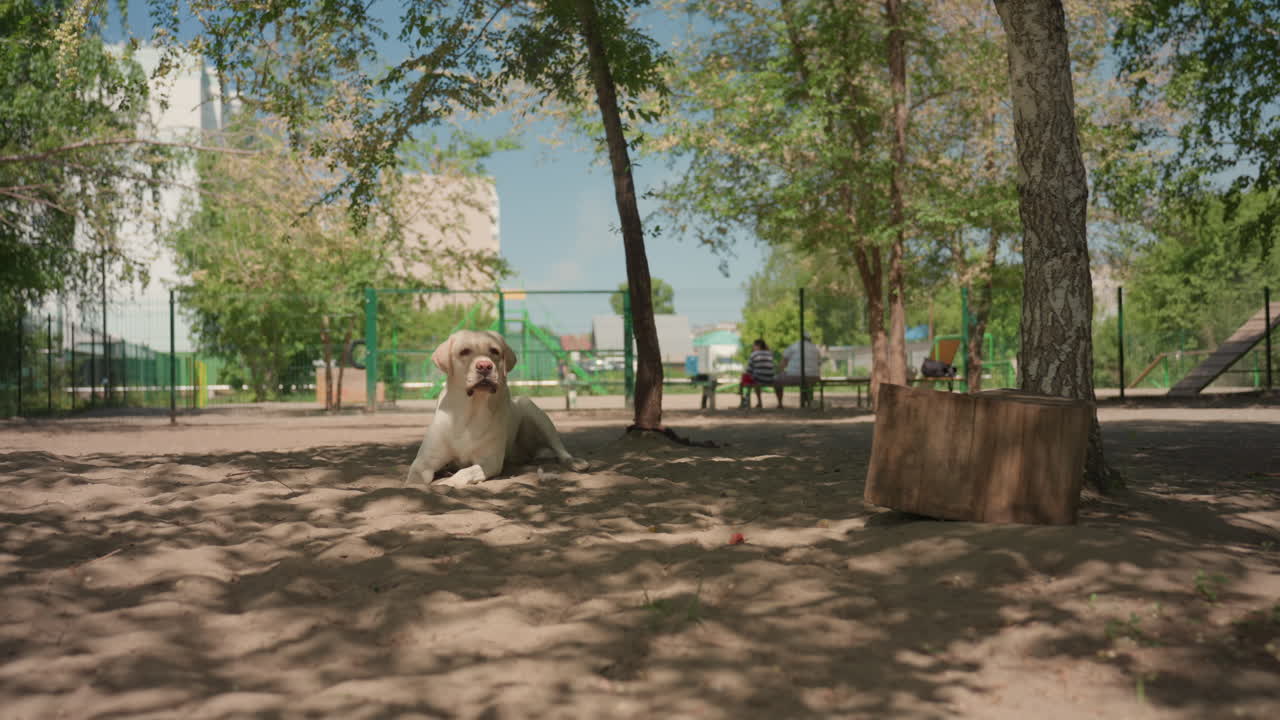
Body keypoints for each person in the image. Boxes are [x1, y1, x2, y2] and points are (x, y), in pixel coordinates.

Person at [774, 333, 821, 408]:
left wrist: (779, 371)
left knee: (776, 380)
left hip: (795, 377)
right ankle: (807, 402)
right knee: (806, 382)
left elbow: (783, 362)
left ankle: (780, 403)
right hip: (814, 377)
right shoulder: (815, 349)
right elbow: (818, 364)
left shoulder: (794, 346)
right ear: (810, 339)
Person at [739, 338, 775, 408]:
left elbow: (749, 370)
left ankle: (744, 401)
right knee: (753, 379)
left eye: (754, 345)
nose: (753, 347)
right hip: (770, 378)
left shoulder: (754, 354)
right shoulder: (770, 353)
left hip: (758, 378)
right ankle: (779, 403)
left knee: (744, 379)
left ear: (757, 346)